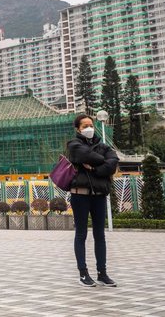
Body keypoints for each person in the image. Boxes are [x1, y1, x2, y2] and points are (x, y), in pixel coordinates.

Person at [67, 114, 119, 287]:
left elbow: (113, 163)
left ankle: (102, 273)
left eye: (91, 125)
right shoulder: (74, 144)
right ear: (78, 129)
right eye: (84, 126)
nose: (89, 128)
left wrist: (96, 169)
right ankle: (83, 274)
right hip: (79, 194)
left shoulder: (104, 146)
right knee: (81, 233)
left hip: (99, 195)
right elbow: (84, 155)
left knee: (100, 235)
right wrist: (102, 162)